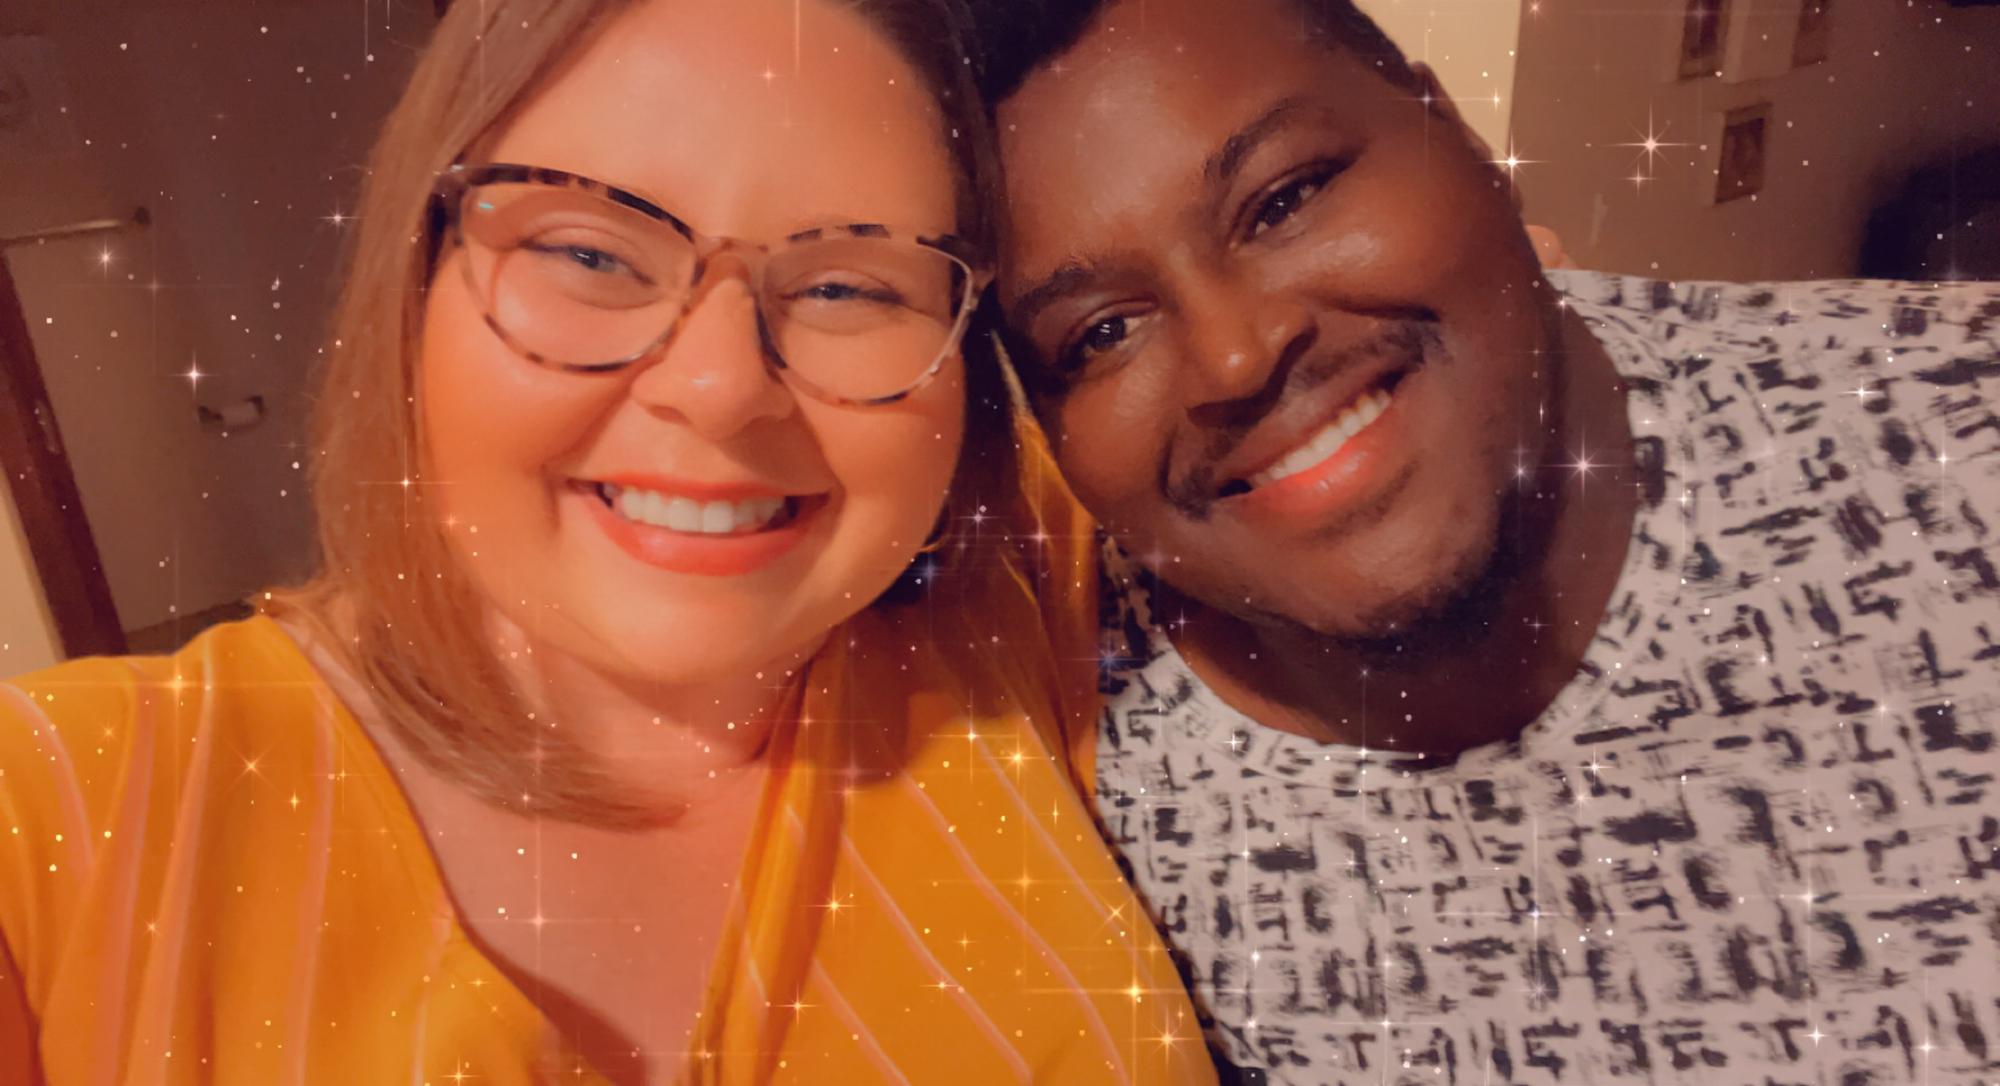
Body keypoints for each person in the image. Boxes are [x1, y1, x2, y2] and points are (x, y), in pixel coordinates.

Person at [0, 0, 1214, 1081]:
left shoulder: (1024, 597)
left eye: (849, 288)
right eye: (587, 253)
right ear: (413, 280)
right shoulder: (57, 816)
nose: (719, 387)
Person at [970, 0, 2000, 1082]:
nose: (1234, 355)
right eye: (1101, 333)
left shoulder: (1952, 432)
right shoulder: (1046, 735)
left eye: (1286, 198)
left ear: (1453, 131)